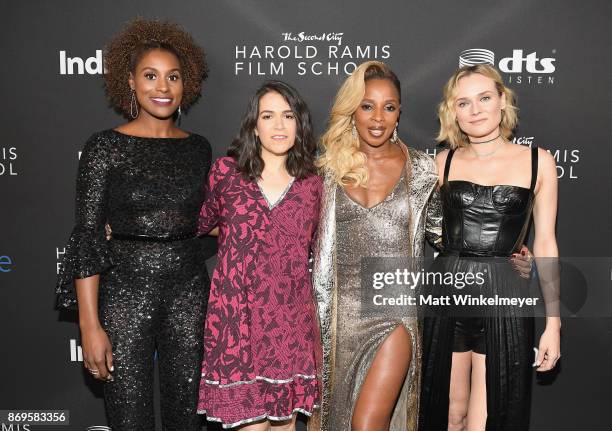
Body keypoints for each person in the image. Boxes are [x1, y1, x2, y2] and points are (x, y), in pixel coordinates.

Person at [55, 18, 211, 431]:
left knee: (189, 421)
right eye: (150, 76)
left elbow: (207, 221)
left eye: (172, 77)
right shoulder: (105, 147)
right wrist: (90, 326)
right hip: (125, 295)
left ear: (185, 84)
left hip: (189, 295)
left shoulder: (198, 149)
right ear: (130, 81)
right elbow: (87, 239)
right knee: (129, 420)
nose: (162, 87)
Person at [419, 64, 561, 431]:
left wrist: (554, 324)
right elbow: (420, 229)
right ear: (453, 113)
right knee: (447, 415)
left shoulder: (537, 161)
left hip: (506, 298)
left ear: (502, 102)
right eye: (463, 103)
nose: (476, 109)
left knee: (488, 420)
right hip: (447, 293)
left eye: (484, 98)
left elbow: (544, 241)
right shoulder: (440, 163)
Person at [312, 61, 441, 431]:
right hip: (338, 318)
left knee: (368, 422)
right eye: (367, 105)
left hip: (393, 312)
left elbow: (446, 233)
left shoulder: (422, 169)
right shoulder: (328, 169)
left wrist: (503, 248)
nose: (378, 118)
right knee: (337, 420)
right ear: (353, 109)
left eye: (389, 106)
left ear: (400, 111)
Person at [197, 81, 321, 430]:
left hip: (289, 324)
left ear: (300, 124)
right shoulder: (226, 172)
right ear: (254, 125)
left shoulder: (314, 184)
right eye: (268, 116)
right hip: (236, 322)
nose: (279, 126)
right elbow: (200, 223)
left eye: (288, 116)